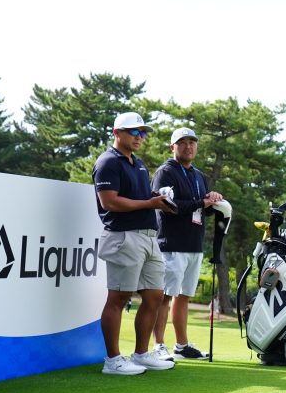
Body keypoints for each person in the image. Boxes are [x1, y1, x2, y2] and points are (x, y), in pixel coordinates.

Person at [92, 112, 178, 375]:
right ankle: (112, 360)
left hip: (149, 237)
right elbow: (110, 201)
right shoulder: (108, 162)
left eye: (142, 133)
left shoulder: (138, 164)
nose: (140, 137)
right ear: (117, 133)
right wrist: (150, 203)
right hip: (123, 236)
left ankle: (141, 354)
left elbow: (139, 197)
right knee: (119, 297)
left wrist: (157, 199)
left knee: (154, 296)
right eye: (134, 132)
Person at [150, 127, 224, 361]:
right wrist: (201, 202)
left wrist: (212, 201)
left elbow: (204, 210)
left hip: (194, 244)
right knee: (164, 296)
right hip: (171, 244)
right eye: (182, 142)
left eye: (192, 142)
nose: (188, 146)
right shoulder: (165, 172)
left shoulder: (199, 175)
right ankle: (158, 345)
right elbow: (169, 206)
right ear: (173, 146)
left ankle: (181, 346)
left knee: (184, 296)